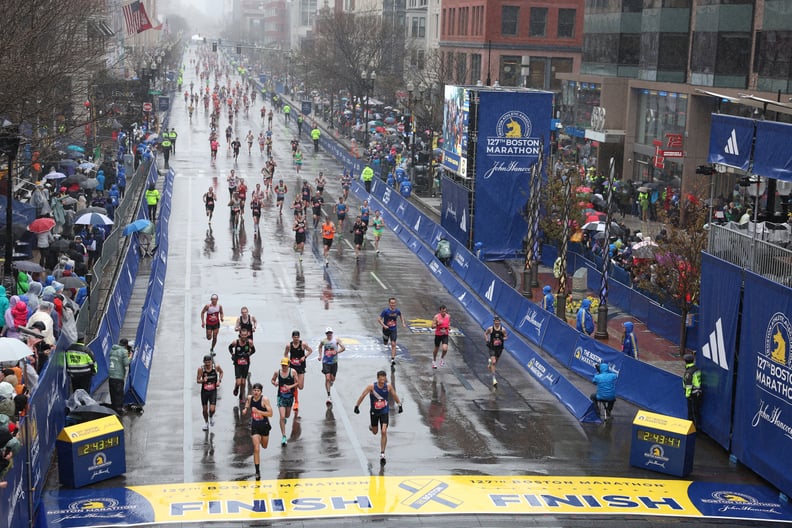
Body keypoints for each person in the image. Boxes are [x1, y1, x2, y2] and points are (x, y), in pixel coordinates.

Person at [354, 370, 403, 465]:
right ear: (377, 379)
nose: (382, 382)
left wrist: (399, 404)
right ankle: (372, 427)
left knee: (384, 431)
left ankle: (382, 453)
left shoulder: (388, 386)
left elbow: (394, 395)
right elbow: (363, 395)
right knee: (375, 432)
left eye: (384, 380)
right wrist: (357, 406)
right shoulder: (371, 387)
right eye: (381, 380)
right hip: (374, 412)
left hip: (384, 411)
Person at [242, 382, 272, 479]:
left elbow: (270, 413)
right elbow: (247, 401)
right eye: (254, 390)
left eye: (258, 391)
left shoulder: (265, 400)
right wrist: (246, 409)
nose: (256, 392)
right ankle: (257, 471)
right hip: (255, 426)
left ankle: (262, 440)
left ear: (261, 392)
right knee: (256, 448)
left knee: (264, 446)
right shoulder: (250, 398)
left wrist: (258, 412)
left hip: (264, 426)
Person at [284, 330, 312, 414]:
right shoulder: (289, 345)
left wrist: (305, 356)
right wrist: (288, 360)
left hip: (301, 367)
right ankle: (296, 401)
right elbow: (285, 354)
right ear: (292, 337)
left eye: (297, 337)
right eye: (294, 337)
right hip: (293, 367)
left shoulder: (303, 344)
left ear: (299, 337)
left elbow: (310, 350)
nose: (296, 339)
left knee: (300, 386)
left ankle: (294, 397)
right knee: (295, 385)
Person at [272, 357, 298, 446]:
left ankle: (284, 420)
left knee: (287, 415)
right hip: (281, 397)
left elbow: (297, 383)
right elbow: (272, 380)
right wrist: (274, 383)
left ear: (288, 365)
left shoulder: (293, 372)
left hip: (290, 397)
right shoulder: (277, 372)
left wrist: (290, 387)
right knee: (282, 416)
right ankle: (284, 436)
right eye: (282, 365)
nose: (284, 367)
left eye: (285, 365)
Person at [318, 327, 345, 406]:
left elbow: (343, 348)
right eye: (327, 333)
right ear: (326, 334)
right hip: (326, 362)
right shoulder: (323, 341)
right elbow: (320, 347)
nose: (329, 335)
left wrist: (336, 352)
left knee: (332, 378)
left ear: (332, 333)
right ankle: (329, 396)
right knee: (327, 378)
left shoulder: (336, 340)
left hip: (334, 362)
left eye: (330, 333)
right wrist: (320, 355)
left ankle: (331, 382)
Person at [229, 327, 255, 405]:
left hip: (246, 364)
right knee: (239, 382)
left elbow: (253, 350)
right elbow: (230, 347)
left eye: (245, 335)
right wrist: (232, 354)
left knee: (243, 382)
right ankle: (236, 387)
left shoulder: (249, 342)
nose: (244, 336)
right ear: (240, 334)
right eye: (242, 335)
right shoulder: (235, 342)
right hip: (237, 364)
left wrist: (248, 354)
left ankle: (241, 396)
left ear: (247, 335)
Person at [197, 354, 223, 431]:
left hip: (213, 391)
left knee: (212, 410)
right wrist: (202, 380)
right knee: (205, 410)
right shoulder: (201, 369)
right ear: (203, 362)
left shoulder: (216, 367)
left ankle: (211, 417)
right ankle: (206, 423)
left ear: (212, 362)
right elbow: (197, 380)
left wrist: (219, 381)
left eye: (209, 362)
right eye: (206, 362)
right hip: (204, 392)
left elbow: (221, 373)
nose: (208, 364)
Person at [379, 297, 406, 367]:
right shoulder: (385, 311)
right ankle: (385, 339)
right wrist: (384, 325)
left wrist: (403, 322)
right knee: (385, 343)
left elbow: (401, 315)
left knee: (393, 344)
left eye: (394, 303)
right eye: (391, 303)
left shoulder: (397, 311)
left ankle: (392, 359)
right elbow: (379, 319)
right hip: (386, 329)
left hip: (393, 329)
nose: (393, 304)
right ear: (389, 303)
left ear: (395, 303)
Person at [108, 338, 133, 413]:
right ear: (126, 345)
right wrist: (130, 356)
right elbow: (126, 363)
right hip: (118, 376)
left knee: (113, 393)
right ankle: (119, 410)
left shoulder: (112, 350)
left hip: (111, 375)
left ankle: (113, 408)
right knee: (119, 394)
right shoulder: (124, 351)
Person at [484, 316, 508, 387]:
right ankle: (494, 379)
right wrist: (487, 340)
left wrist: (502, 339)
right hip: (492, 347)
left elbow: (506, 336)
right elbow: (485, 333)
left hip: (499, 348)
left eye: (498, 322)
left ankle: (490, 362)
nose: (497, 323)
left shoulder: (503, 330)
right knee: (494, 362)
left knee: (495, 362)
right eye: (496, 321)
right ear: (494, 322)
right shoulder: (490, 329)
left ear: (500, 322)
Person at [683, 354, 702, 427]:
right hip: (698, 393)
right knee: (696, 412)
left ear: (686, 361)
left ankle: (691, 429)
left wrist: (687, 395)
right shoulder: (696, 369)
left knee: (691, 413)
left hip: (692, 395)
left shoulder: (689, 372)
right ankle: (696, 427)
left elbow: (688, 386)